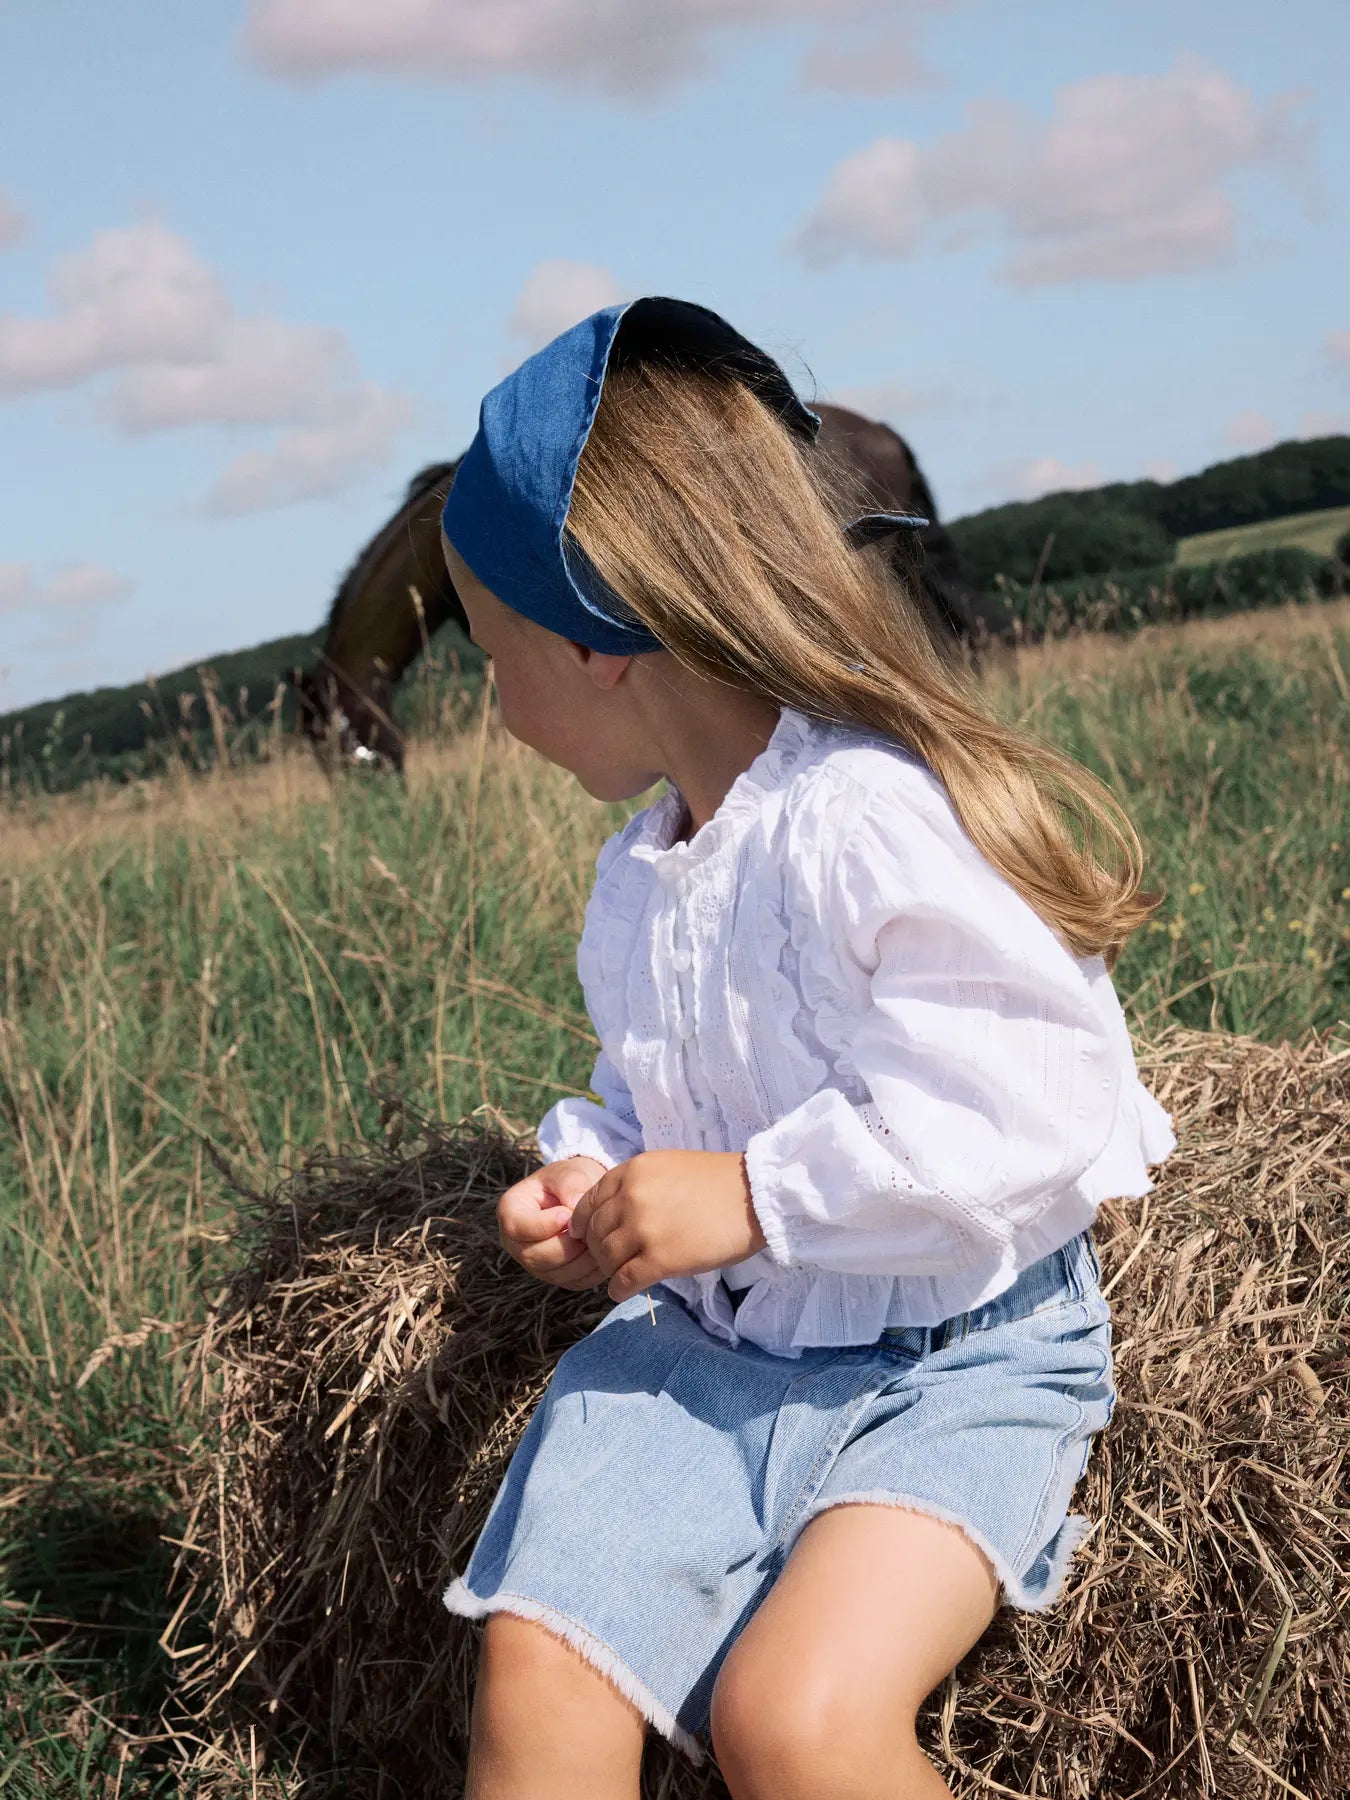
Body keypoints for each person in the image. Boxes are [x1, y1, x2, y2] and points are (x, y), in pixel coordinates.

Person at [438, 298, 1175, 1800]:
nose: (488, 701)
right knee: (536, 1669)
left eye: (486, 649)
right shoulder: (644, 871)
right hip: (715, 1355)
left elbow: (1026, 1104)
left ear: (591, 647)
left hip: (953, 1356)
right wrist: (597, 1179)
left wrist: (759, 1196)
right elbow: (657, 1094)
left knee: (798, 1720)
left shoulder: (870, 821)